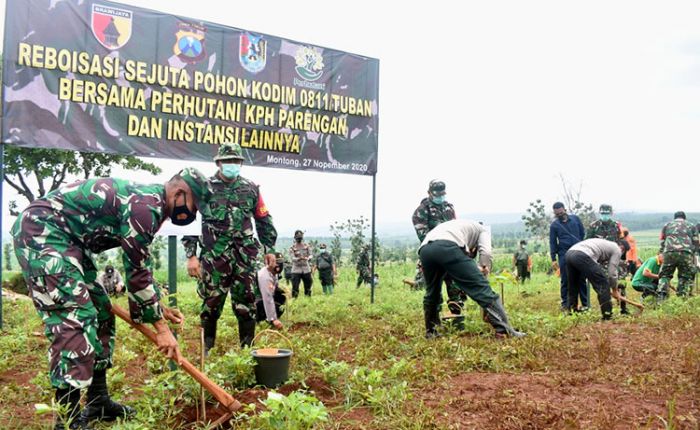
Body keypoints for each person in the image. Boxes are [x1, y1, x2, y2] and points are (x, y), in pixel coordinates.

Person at [11, 168, 209, 429]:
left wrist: (158, 306)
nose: (193, 213)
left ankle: (98, 400)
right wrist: (161, 329)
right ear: (180, 193)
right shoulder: (145, 207)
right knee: (75, 317)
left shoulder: (153, 204)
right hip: (42, 232)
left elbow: (141, 264)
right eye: (195, 206)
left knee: (102, 310)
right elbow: (136, 271)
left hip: (71, 243)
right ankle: (67, 421)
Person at [183, 142, 277, 352]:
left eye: (235, 161)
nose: (231, 164)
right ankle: (207, 349)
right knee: (211, 304)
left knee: (247, 303)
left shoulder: (251, 188)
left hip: (245, 257)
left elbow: (263, 219)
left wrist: (269, 249)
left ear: (241, 163)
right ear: (218, 162)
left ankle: (246, 350)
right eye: (227, 161)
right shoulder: (204, 187)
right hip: (215, 258)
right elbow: (189, 221)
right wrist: (191, 255)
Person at [419, 219, 525, 339]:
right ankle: (504, 330)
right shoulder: (482, 230)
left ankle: (431, 332)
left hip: (425, 250)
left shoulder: (459, 226)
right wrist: (484, 271)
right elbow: (486, 252)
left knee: (432, 292)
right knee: (482, 288)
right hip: (447, 247)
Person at [412, 179, 466, 315]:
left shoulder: (449, 208)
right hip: (433, 253)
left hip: (450, 252)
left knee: (455, 284)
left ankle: (457, 314)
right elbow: (424, 236)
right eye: (437, 194)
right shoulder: (422, 211)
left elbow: (455, 228)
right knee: (434, 289)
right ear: (429, 193)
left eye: (442, 194)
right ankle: (434, 322)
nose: (440, 197)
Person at [565, 238, 630, 319]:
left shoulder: (607, 244)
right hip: (582, 255)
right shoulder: (617, 249)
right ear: (622, 248)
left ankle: (572, 310)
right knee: (603, 284)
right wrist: (614, 289)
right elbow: (612, 272)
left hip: (569, 253)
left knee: (573, 285)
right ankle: (607, 314)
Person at [549, 202, 587, 310]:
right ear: (555, 214)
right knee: (565, 279)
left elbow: (582, 233)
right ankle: (565, 304)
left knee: (581, 278)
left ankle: (585, 303)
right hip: (564, 254)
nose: (560, 215)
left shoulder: (575, 219)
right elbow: (552, 242)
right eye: (557, 214)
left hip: (579, 251)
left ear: (565, 210)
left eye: (561, 212)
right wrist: (553, 258)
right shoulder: (554, 225)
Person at [657, 211, 699, 297]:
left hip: (669, 253)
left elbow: (662, 241)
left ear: (675, 218)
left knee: (665, 275)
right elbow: (696, 242)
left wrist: (662, 252)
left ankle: (662, 296)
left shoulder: (667, 225)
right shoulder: (691, 225)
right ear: (684, 218)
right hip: (686, 253)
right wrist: (693, 254)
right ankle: (681, 296)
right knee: (684, 276)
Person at [256, 253, 286, 330]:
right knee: (267, 302)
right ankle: (268, 319)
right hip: (256, 301)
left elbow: (274, 288)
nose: (279, 265)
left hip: (263, 296)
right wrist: (274, 319)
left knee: (281, 295)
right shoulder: (265, 276)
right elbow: (268, 298)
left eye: (280, 263)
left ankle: (272, 316)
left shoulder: (273, 273)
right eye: (276, 262)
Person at [289, 230, 313, 297]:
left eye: (300, 237)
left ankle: (308, 299)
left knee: (308, 286)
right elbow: (292, 258)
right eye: (297, 237)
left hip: (306, 269)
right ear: (295, 238)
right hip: (296, 269)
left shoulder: (307, 246)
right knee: (295, 287)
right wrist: (299, 258)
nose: (299, 239)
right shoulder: (292, 248)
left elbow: (311, 255)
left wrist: (308, 258)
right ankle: (294, 300)